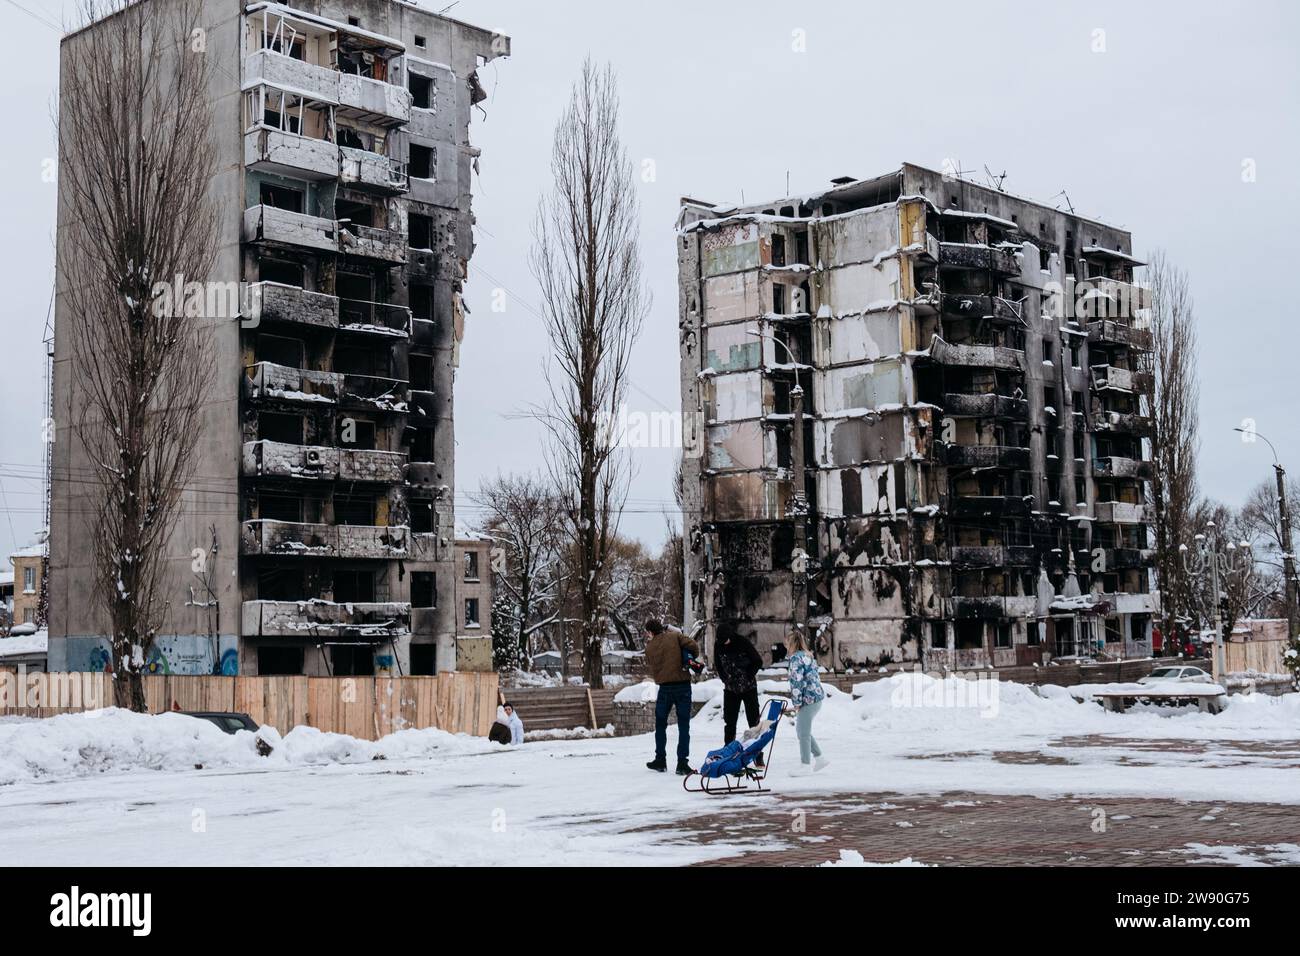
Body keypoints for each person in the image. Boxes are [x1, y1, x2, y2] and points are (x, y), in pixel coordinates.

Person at [643, 618, 700, 775]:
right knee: (683, 726)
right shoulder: (674, 636)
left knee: (660, 725)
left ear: (650, 632)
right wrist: (688, 658)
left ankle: (660, 760)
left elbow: (652, 664)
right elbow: (694, 646)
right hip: (682, 686)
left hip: (664, 689)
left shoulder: (649, 648)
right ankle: (682, 763)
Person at [715, 624, 765, 767]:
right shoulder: (718, 644)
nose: (724, 643)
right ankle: (728, 753)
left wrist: (748, 676)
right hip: (731, 689)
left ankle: (757, 754)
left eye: (726, 640)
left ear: (731, 637)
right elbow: (718, 665)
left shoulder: (742, 642)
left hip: (748, 688)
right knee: (730, 723)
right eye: (721, 641)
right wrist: (725, 679)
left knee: (754, 722)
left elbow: (757, 661)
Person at [785, 629, 828, 775]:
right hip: (816, 698)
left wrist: (797, 702)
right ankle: (820, 758)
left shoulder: (796, 659)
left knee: (803, 733)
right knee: (802, 731)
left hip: (808, 700)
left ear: (791, 644)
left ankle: (805, 765)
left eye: (787, 643)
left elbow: (797, 682)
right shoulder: (808, 656)